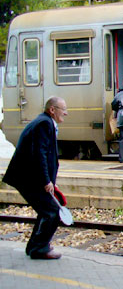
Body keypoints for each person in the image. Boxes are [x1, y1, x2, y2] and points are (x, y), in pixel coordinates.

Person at [2, 96, 68, 260]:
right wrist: (46, 181)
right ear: (52, 110)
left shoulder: (44, 122)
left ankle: (35, 246)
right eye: (63, 109)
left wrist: (51, 180)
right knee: (52, 212)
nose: (66, 113)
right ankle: (39, 248)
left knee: (46, 211)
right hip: (29, 178)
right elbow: (40, 154)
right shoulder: (44, 124)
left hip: (28, 177)